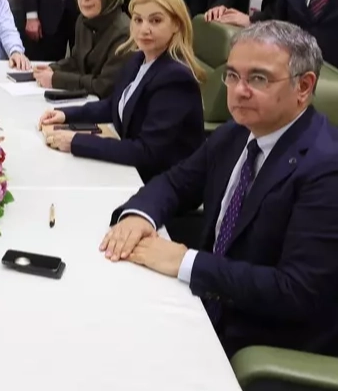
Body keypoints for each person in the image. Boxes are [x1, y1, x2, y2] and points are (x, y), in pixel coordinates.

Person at [100, 20, 338, 358]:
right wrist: (140, 216)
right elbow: (176, 182)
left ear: (304, 86)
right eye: (232, 75)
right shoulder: (236, 132)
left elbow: (295, 291)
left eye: (259, 78)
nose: (239, 91)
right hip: (201, 304)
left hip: (257, 341)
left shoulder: (326, 167)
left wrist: (186, 262)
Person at [39, 0, 205, 184]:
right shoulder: (138, 59)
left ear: (177, 24)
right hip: (134, 171)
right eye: (138, 20)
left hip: (163, 184)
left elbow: (146, 152)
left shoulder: (175, 78)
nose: (144, 29)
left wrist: (76, 142)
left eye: (155, 20)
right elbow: (114, 105)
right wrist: (66, 114)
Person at [32, 0, 132, 98]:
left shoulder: (124, 33)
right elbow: (77, 60)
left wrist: (56, 79)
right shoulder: (83, 21)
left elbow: (104, 86)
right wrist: (54, 68)